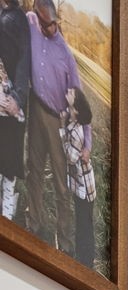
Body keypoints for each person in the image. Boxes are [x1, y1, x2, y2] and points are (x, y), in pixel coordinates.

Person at [21, 0, 81, 253]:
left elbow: (78, 99)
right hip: (36, 107)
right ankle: (34, 223)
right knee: (33, 170)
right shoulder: (31, 22)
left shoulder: (65, 55)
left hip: (58, 120)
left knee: (61, 183)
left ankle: (64, 243)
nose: (43, 26)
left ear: (55, 22)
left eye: (48, 23)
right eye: (39, 19)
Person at [0, 0, 25, 223]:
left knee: (8, 172)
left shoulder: (14, 20)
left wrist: (15, 103)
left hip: (10, 112)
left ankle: (7, 218)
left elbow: (21, 64)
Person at [57, 77, 85, 267]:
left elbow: (71, 157)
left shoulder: (76, 131)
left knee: (81, 218)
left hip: (80, 185)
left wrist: (60, 127)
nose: (67, 94)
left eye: (70, 94)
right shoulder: (72, 121)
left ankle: (75, 252)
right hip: (74, 181)